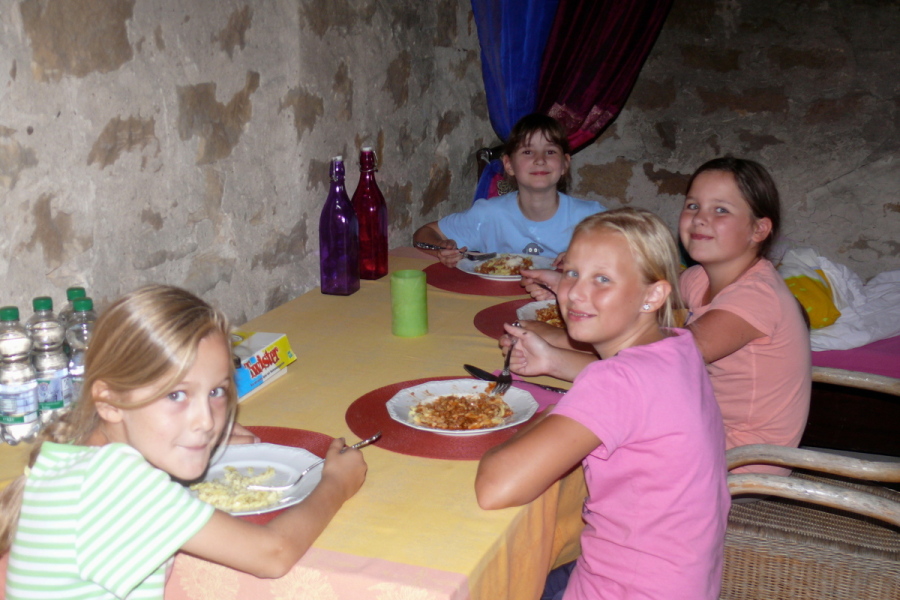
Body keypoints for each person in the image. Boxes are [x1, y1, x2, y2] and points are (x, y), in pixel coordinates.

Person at [0, 285, 367, 599]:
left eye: (216, 392)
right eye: (176, 395)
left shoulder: (79, 455)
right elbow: (273, 554)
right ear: (109, 403)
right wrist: (336, 483)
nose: (206, 421)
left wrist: (198, 443)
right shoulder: (115, 481)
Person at [476, 208, 729, 600]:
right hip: (682, 581)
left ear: (653, 295)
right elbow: (634, 392)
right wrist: (556, 363)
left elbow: (494, 488)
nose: (575, 293)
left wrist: (552, 416)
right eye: (572, 273)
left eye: (602, 279)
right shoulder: (676, 346)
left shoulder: (616, 382)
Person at [514, 157, 812, 475]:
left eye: (721, 210)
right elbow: (635, 305)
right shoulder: (699, 278)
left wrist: (557, 351)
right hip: (697, 422)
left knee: (557, 445)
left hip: (736, 460)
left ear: (759, 229)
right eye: (693, 206)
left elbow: (656, 365)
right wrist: (574, 285)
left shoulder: (755, 296)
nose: (700, 218)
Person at [413, 113, 604, 268]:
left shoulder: (591, 218)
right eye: (528, 152)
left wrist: (584, 260)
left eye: (550, 152)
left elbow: (621, 256)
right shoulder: (489, 214)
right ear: (509, 164)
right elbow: (424, 234)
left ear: (565, 164)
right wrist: (441, 248)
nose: (540, 160)